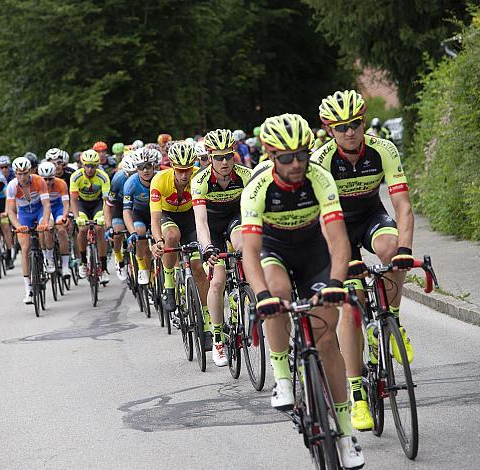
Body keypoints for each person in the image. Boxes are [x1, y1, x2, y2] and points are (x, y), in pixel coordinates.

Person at [240, 113, 364, 468]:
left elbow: (339, 242)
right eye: (286, 158)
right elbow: (250, 251)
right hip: (274, 250)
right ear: (269, 155)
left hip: (314, 253)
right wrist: (260, 295)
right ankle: (282, 377)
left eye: (302, 155)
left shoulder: (320, 178)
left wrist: (337, 284)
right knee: (276, 294)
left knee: (327, 341)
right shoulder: (257, 188)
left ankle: (344, 434)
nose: (296, 164)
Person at [314, 89, 414, 432]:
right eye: (341, 127)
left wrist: (406, 250)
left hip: (371, 215)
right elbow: (320, 218)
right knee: (351, 304)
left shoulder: (383, 149)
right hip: (337, 225)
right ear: (329, 130)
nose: (350, 132)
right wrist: (342, 264)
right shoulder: (322, 159)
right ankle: (357, 397)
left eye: (355, 124)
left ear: (363, 121)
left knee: (391, 249)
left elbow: (401, 205)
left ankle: (393, 320)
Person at [193, 128, 251, 366]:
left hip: (235, 221)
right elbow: (201, 222)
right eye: (218, 157)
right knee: (216, 281)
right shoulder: (200, 181)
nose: (225, 162)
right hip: (212, 228)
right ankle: (217, 338)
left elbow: (253, 214)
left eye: (228, 156)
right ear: (210, 156)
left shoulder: (246, 175)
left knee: (243, 246)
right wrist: (207, 248)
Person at [149, 141, 212, 349]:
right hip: (168, 216)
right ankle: (168, 284)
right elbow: (155, 217)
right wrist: (158, 241)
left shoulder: (199, 177)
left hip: (190, 218)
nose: (184, 175)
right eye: (180, 170)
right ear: (172, 167)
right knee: (172, 235)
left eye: (188, 170)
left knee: (198, 269)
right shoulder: (160, 180)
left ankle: (208, 323)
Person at [6, 157, 51, 304]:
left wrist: (44, 222)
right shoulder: (12, 186)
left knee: (46, 229)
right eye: (19, 174)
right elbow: (11, 212)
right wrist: (18, 226)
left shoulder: (39, 181)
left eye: (25, 173)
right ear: (15, 174)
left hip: (38, 210)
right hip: (24, 214)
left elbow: (46, 205)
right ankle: (28, 289)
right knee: (25, 248)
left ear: (30, 171)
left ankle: (47, 256)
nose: (22, 177)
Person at [69, 149, 112, 283]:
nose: (89, 169)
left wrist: (104, 217)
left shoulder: (103, 176)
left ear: (97, 165)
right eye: (87, 165)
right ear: (82, 165)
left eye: (93, 166)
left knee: (100, 229)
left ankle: (104, 269)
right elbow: (74, 200)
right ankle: (83, 262)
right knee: (82, 229)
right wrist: (77, 218)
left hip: (98, 204)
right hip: (82, 204)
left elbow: (106, 201)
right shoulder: (76, 177)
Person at [122, 147, 160, 285]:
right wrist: (132, 232)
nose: (145, 170)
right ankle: (142, 267)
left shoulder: (160, 177)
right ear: (136, 168)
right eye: (141, 167)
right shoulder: (130, 183)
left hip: (158, 213)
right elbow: (126, 211)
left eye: (148, 166)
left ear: (154, 165)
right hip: (139, 214)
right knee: (140, 232)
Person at [106, 152, 137, 280]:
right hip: (119, 206)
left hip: (136, 205)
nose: (132, 178)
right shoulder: (118, 179)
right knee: (117, 232)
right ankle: (118, 257)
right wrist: (109, 226)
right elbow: (108, 204)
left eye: (135, 174)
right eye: (129, 175)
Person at [38, 161, 70, 279]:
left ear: (55, 176)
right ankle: (48, 257)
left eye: (50, 179)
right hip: (43, 208)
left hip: (58, 208)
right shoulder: (37, 185)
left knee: (61, 230)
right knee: (45, 228)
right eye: (44, 179)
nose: (47, 182)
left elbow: (66, 204)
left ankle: (65, 266)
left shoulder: (61, 183)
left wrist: (65, 216)